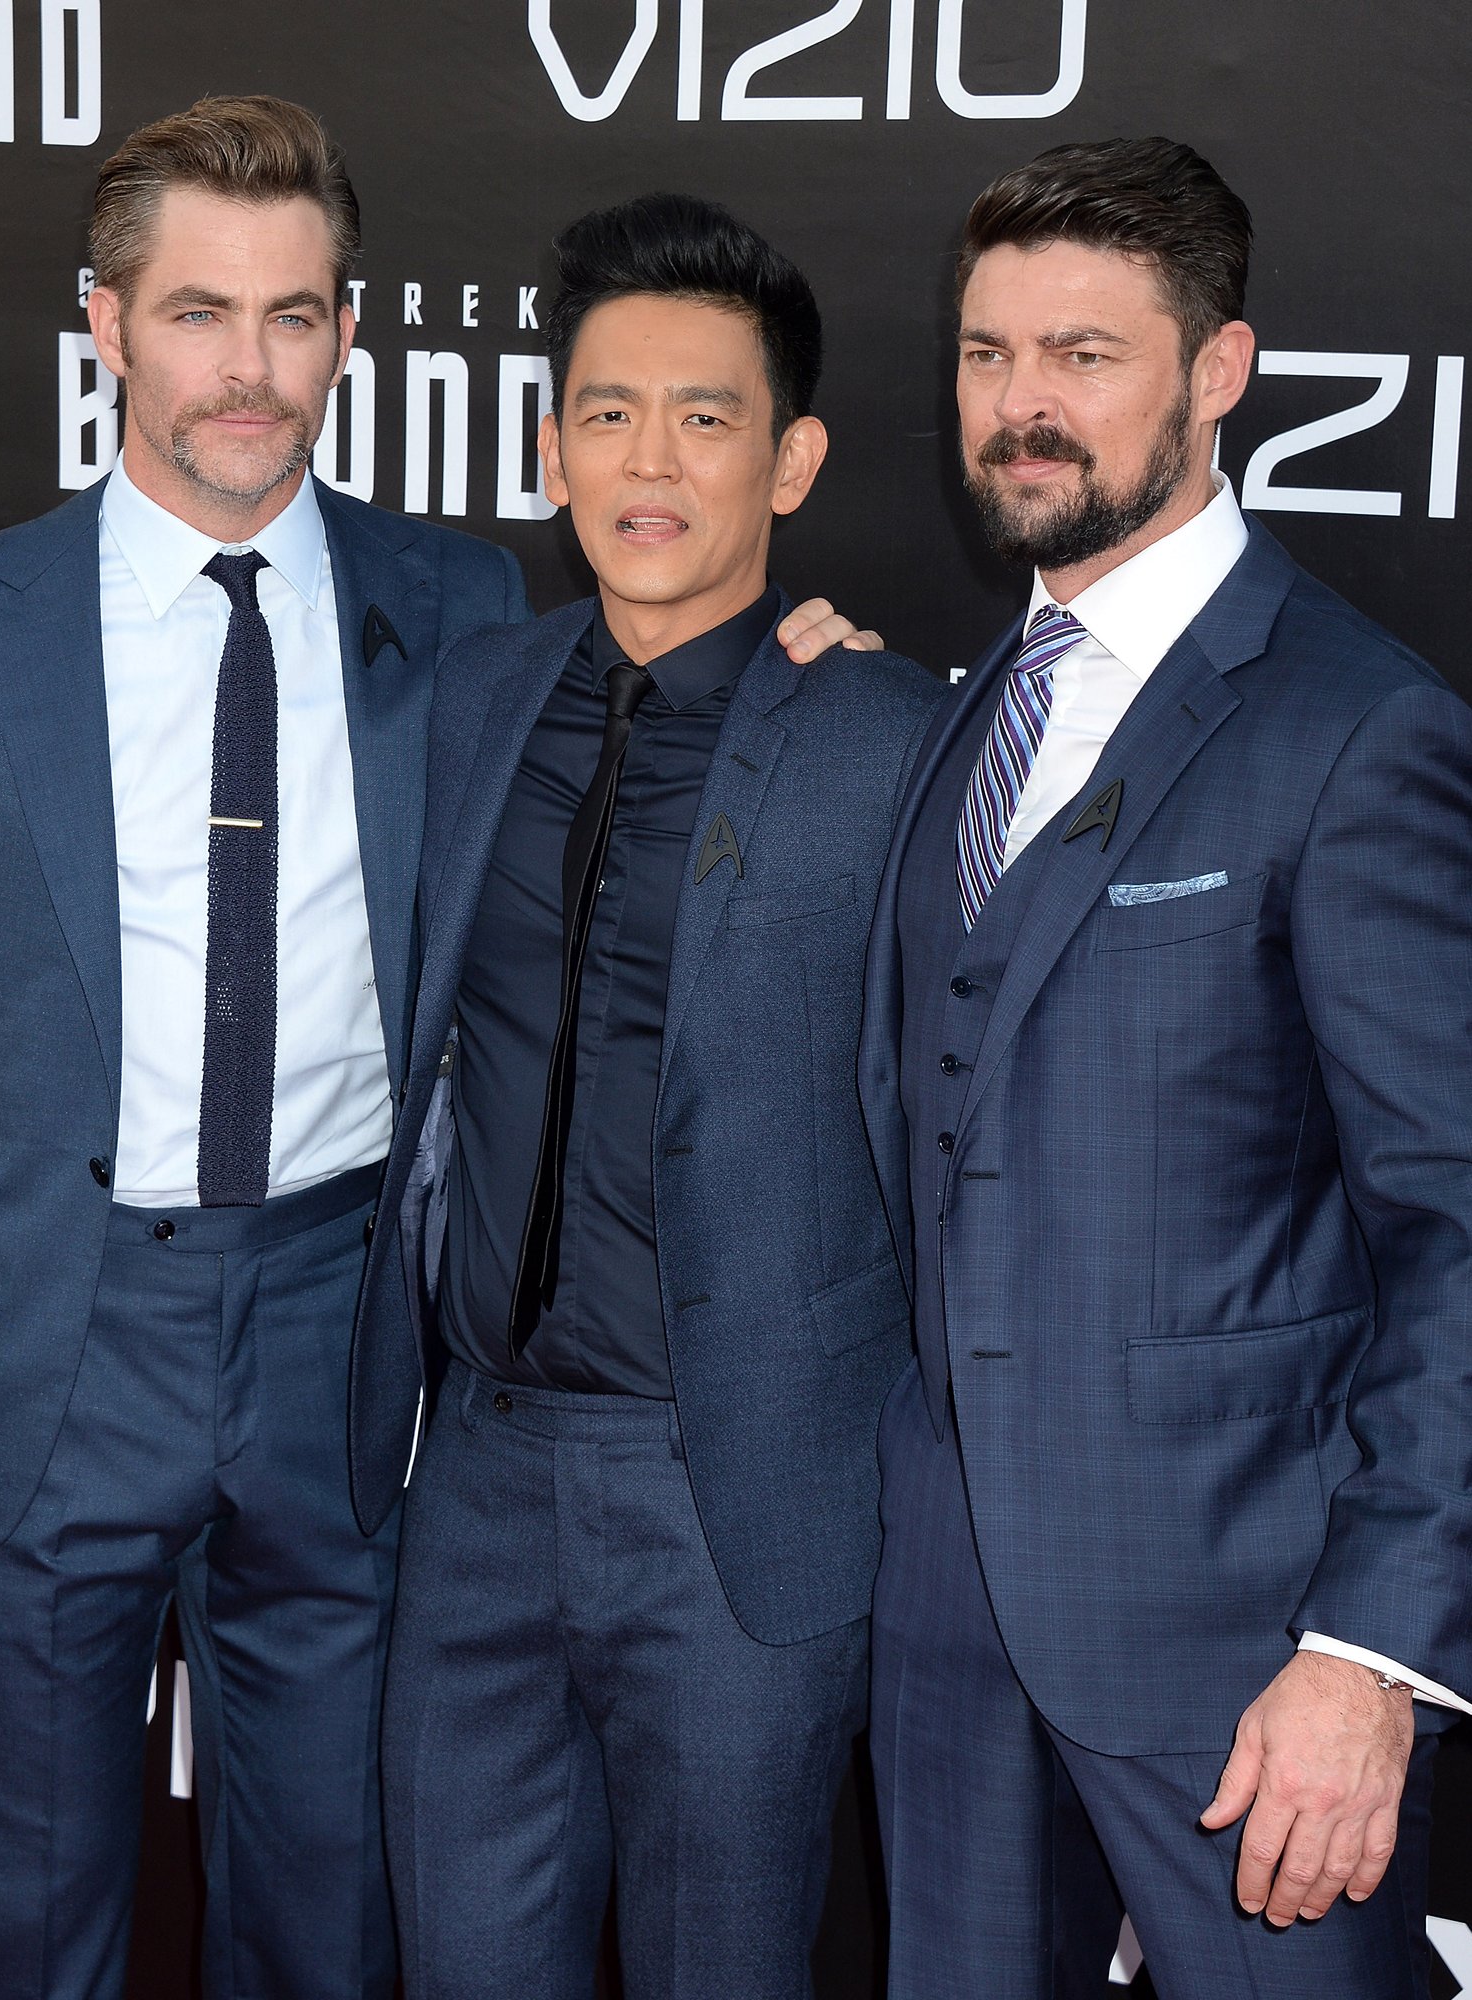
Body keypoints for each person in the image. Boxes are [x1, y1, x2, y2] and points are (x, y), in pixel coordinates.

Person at [0, 96, 864, 2000]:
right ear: (106, 325)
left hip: (341, 1346)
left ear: (349, 333)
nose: (248, 369)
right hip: (50, 1343)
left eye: (294, 316)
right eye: (199, 312)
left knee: (329, 1924)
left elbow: (669, 687)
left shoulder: (461, 607)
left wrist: (805, 676)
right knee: (17, 1923)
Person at [860, 136, 1472, 1999]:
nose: (1021, 406)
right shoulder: (971, 707)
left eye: (1084, 353)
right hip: (948, 1639)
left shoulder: (1358, 729)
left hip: (1249, 1662)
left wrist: (1368, 1657)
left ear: (1219, 371)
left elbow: (1456, 1226)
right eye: (988, 354)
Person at [349, 192, 945, 1999]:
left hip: (733, 1502)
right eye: (609, 413)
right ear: (552, 453)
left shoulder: (900, 743)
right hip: (476, 1481)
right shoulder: (472, 698)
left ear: (793, 461)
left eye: (706, 417)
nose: (652, 460)